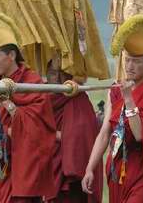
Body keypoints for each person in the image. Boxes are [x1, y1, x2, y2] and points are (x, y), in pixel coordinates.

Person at [0, 11, 56, 203]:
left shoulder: (32, 83)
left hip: (21, 167)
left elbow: (40, 129)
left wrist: (8, 105)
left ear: (12, 55)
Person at [82, 14, 143, 202]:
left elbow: (139, 135)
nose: (129, 66)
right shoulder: (114, 91)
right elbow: (105, 133)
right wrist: (90, 168)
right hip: (116, 172)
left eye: (136, 61)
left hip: (141, 172)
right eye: (127, 60)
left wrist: (128, 98)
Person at [45, 56, 102, 203]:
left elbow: (82, 137)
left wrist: (47, 134)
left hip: (70, 179)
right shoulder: (41, 97)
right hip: (45, 166)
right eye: (52, 72)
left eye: (61, 73)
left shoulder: (79, 99)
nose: (57, 78)